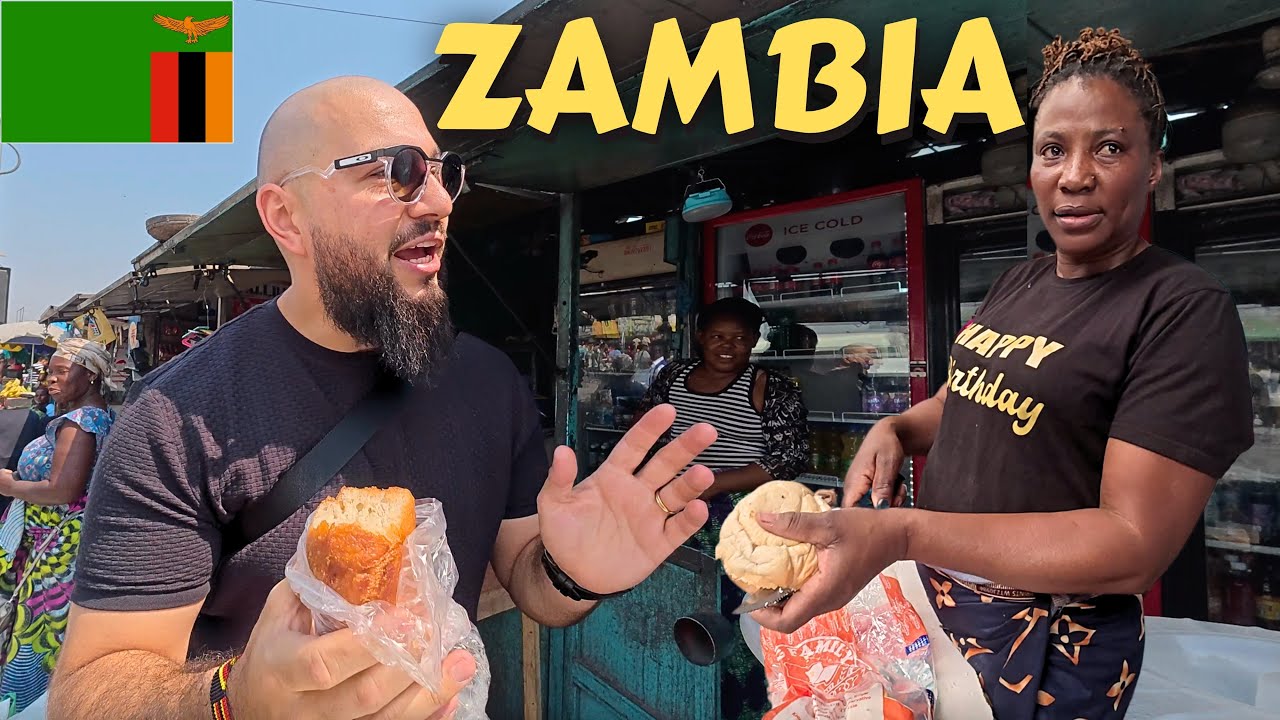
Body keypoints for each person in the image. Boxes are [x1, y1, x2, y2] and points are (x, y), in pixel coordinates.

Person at [48, 76, 718, 720]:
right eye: (394, 172)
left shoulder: (488, 382)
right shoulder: (175, 419)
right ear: (287, 217)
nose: (437, 202)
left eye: (441, 172)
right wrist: (234, 699)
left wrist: (575, 575)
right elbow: (88, 692)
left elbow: (526, 576)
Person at [750, 28, 1255, 720]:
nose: (1074, 175)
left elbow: (1131, 545)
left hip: (1045, 648)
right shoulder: (1022, 280)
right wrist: (896, 424)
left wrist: (902, 532)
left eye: (1109, 147)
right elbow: (973, 398)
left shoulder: (1180, 309)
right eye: (1054, 149)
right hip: (933, 608)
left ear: (1153, 165)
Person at [637, 297, 810, 720]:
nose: (728, 346)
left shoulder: (770, 387)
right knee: (672, 605)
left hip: (742, 519)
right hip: (673, 507)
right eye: (717, 336)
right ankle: (672, 696)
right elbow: (652, 435)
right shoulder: (672, 378)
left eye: (740, 338)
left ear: (754, 341)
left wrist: (708, 486)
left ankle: (743, 708)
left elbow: (788, 460)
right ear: (700, 337)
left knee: (740, 620)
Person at [0, 339, 117, 715]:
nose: (50, 380)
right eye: (49, 372)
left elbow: (63, 489)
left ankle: (24, 704)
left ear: (91, 375)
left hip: (54, 554)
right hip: (53, 544)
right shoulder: (92, 415)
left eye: (61, 372)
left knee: (38, 632)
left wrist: (8, 484)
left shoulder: (80, 422)